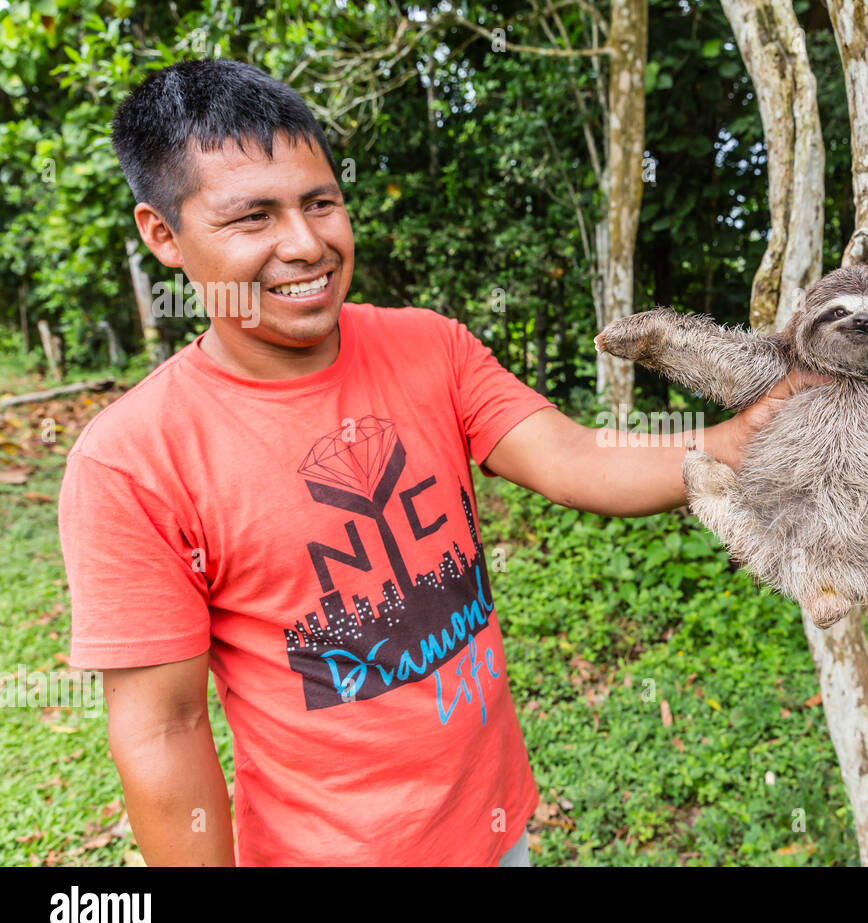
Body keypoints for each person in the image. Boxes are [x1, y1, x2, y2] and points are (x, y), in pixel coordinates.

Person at [59, 58, 824, 866]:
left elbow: (571, 452)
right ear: (163, 234)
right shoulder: (132, 461)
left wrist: (734, 440)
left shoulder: (427, 345)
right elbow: (163, 731)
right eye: (253, 218)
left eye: (320, 202)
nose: (305, 243)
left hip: (497, 835)